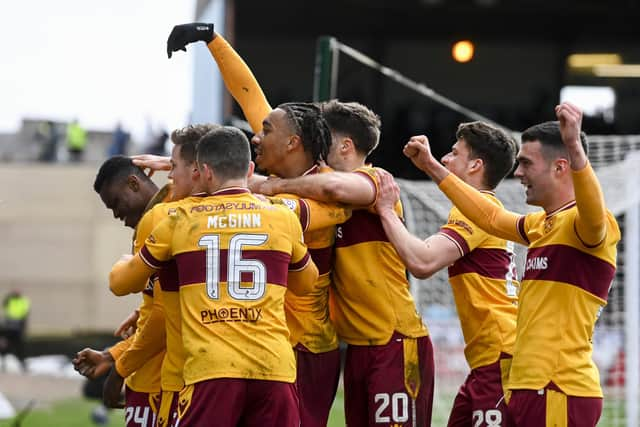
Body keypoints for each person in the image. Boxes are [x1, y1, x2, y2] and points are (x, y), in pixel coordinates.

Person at [164, 24, 353, 426]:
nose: (256, 134)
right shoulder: (284, 175)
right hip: (255, 342)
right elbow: (248, 93)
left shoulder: (325, 198)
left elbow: (278, 203)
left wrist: (228, 182)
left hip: (303, 347)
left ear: (292, 143)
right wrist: (212, 40)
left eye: (266, 131)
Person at [403, 103, 620, 426]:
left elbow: (592, 211)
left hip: (559, 387)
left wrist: (575, 147)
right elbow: (489, 216)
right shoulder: (539, 226)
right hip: (527, 385)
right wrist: (433, 168)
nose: (518, 173)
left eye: (526, 164)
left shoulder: (588, 225)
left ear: (561, 168)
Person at [109, 126, 319, 426]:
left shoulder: (178, 220)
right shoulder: (282, 217)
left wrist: (124, 261)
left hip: (212, 370)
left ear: (205, 172)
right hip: (274, 369)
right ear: (249, 170)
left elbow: (122, 284)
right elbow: (306, 282)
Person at [374, 121, 520, 426]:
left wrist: (386, 210)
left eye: (454, 153)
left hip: (501, 361)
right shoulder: (484, 211)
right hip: (488, 362)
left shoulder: (477, 212)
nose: (445, 159)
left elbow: (424, 262)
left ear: (476, 165)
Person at [74, 155, 169, 426]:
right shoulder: (160, 216)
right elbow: (161, 307)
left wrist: (119, 369)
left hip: (163, 381)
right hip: (157, 373)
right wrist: (111, 355)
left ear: (133, 183)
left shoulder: (159, 220)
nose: (116, 214)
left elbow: (164, 315)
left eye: (116, 203)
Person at [1, 290, 30, 371]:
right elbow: (4, 304)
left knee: (19, 348)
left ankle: (23, 365)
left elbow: (26, 313)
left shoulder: (23, 301)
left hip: (17, 328)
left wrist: (23, 328)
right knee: (5, 347)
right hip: (8, 328)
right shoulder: (10, 300)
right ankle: (4, 364)